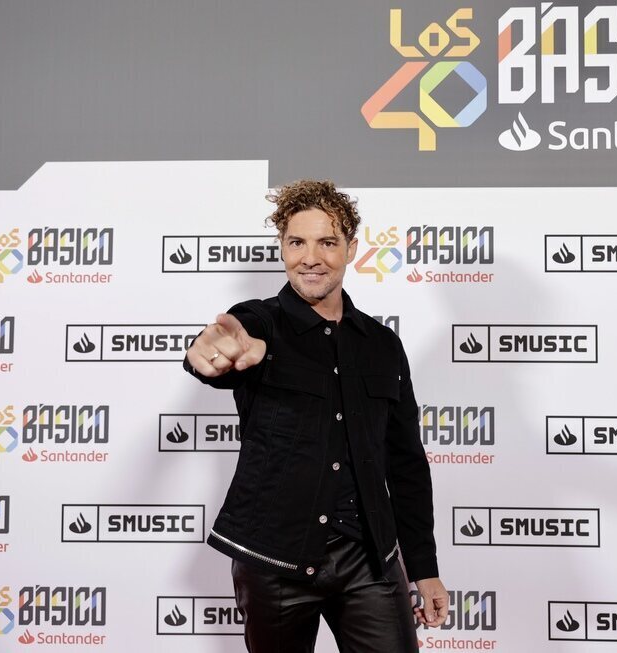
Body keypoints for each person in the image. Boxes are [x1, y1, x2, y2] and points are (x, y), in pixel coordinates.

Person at [182, 179, 447, 652]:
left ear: (351, 248)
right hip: (272, 558)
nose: (311, 257)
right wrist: (211, 352)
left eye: (327, 242)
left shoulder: (382, 345)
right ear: (282, 246)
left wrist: (424, 569)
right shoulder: (258, 320)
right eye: (296, 242)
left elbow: (406, 463)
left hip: (368, 558)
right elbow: (227, 345)